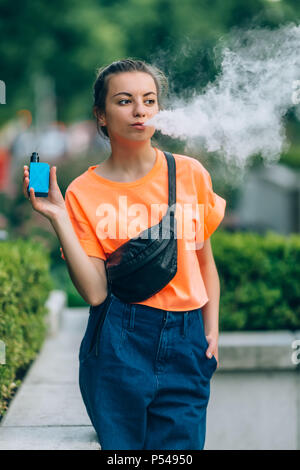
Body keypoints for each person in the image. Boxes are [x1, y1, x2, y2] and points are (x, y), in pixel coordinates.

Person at [22, 58, 226, 450]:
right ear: (100, 114)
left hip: (186, 339)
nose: (139, 110)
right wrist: (58, 215)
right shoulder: (83, 192)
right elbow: (96, 294)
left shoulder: (190, 174)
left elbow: (204, 261)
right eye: (124, 101)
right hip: (119, 339)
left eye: (149, 101)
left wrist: (211, 329)